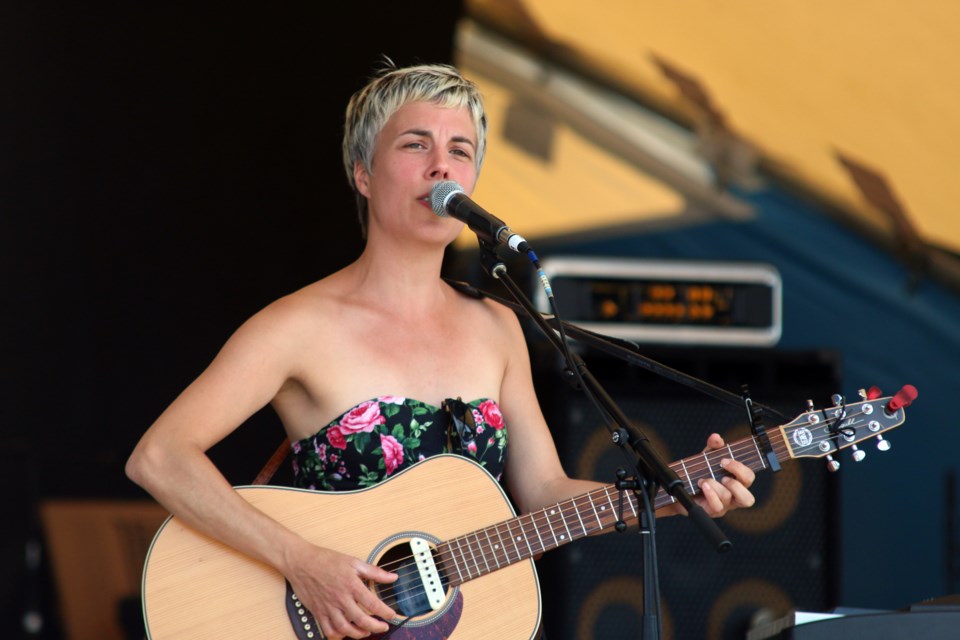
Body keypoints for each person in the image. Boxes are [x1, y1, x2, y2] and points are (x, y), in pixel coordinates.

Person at [126, 59, 756, 640]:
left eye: (460, 150)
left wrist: (668, 498)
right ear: (363, 174)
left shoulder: (497, 326)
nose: (441, 166)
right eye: (414, 144)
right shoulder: (296, 327)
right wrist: (303, 561)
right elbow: (159, 457)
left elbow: (541, 493)